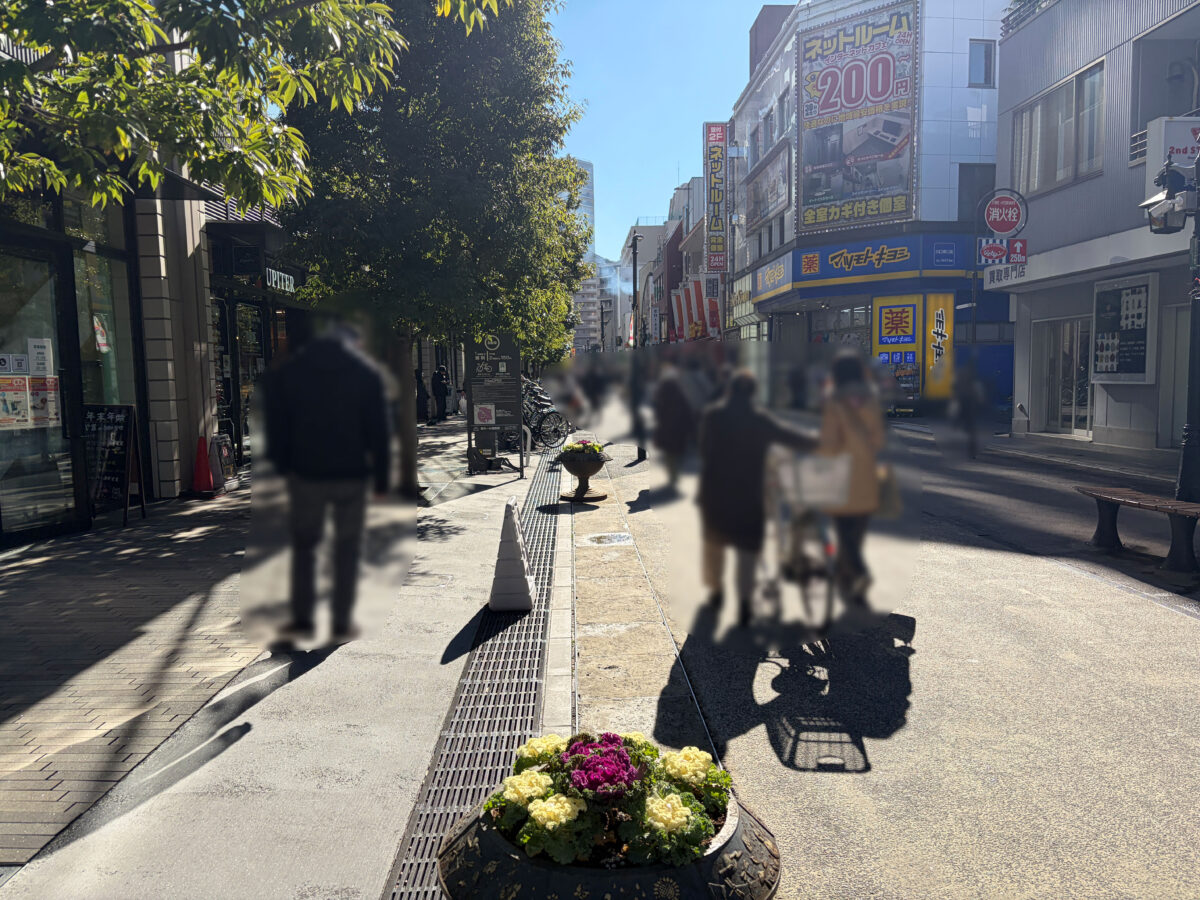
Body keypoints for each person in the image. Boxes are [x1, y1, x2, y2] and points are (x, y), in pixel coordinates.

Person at [265, 322, 391, 643]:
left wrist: (282, 466)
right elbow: (379, 431)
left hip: (306, 473)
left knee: (304, 548)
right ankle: (341, 622)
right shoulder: (365, 374)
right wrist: (382, 478)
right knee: (347, 548)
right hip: (351, 474)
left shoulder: (293, 372)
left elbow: (277, 425)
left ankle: (303, 621)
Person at [697, 370, 816, 626]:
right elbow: (791, 437)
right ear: (753, 393)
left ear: (729, 391)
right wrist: (818, 444)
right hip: (749, 495)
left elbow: (705, 451)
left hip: (716, 493)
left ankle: (716, 593)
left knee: (714, 546)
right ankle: (745, 605)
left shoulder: (713, 416)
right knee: (747, 552)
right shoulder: (759, 419)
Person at [817, 351, 885, 609]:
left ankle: (855, 576)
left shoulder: (834, 402)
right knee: (856, 534)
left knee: (844, 533)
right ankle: (851, 580)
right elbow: (878, 440)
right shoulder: (871, 400)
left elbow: (829, 443)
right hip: (866, 475)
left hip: (841, 477)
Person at [652, 361, 694, 492]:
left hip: (666, 427)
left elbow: (657, 408)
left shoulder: (661, 390)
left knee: (669, 453)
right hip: (677, 427)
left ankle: (672, 475)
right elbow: (686, 407)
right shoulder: (678, 389)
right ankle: (675, 475)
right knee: (676, 452)